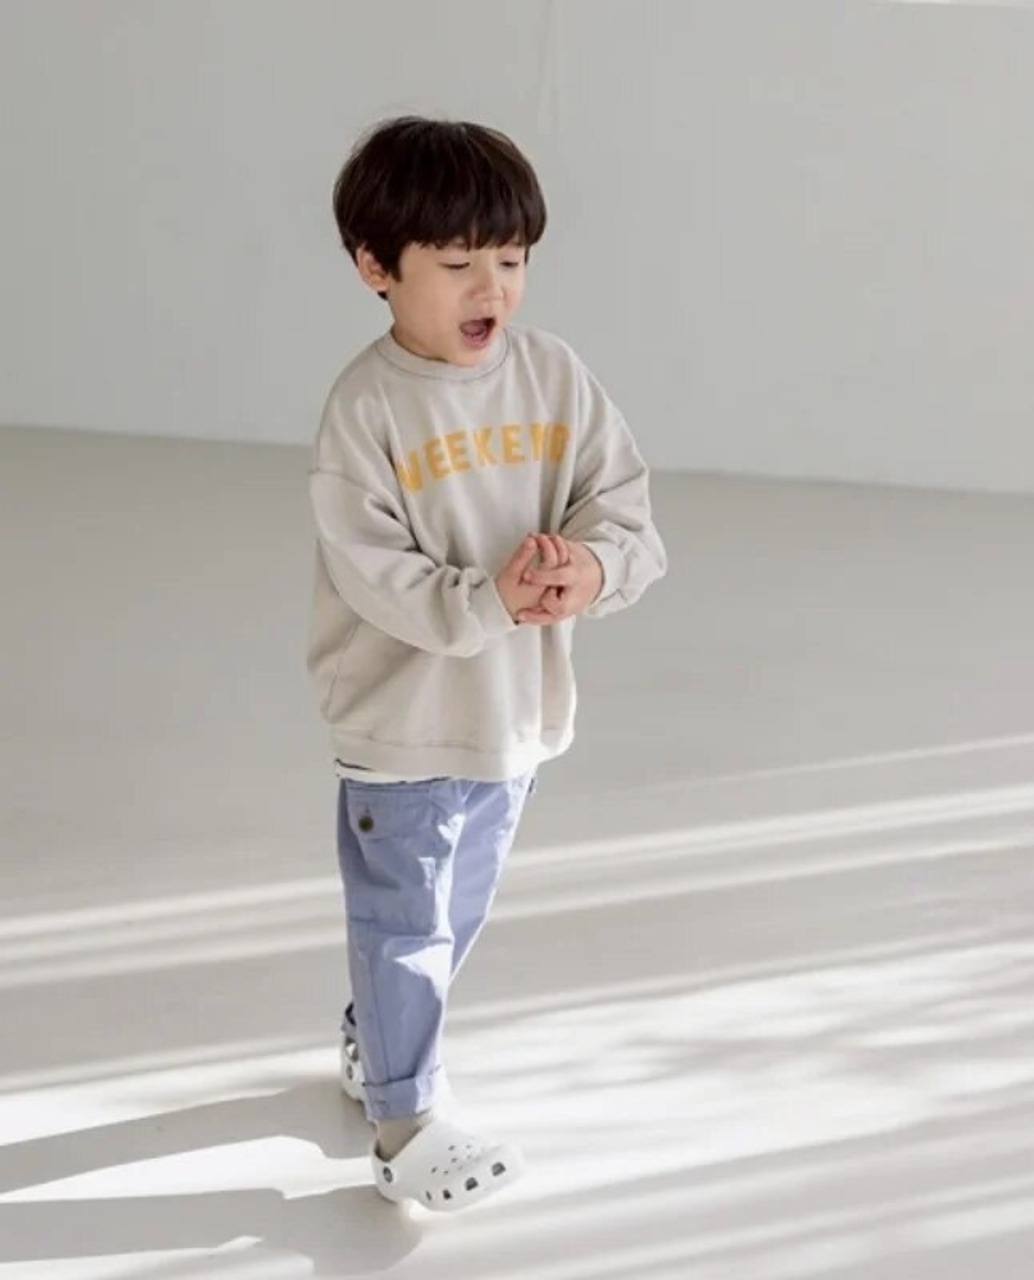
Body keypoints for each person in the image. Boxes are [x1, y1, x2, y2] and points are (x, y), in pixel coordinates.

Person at [305, 116, 665, 1212]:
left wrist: (591, 570)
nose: (491, 288)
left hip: (511, 716)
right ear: (376, 266)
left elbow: (623, 506)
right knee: (404, 921)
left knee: (451, 916)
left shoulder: (553, 377)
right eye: (458, 263)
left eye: (510, 259)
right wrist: (490, 600)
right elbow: (375, 572)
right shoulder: (365, 409)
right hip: (399, 720)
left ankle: (379, 1040)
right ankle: (405, 1126)